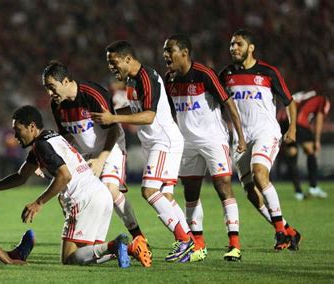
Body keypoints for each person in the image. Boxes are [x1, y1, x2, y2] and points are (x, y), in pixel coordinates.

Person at [0, 105, 131, 268]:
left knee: (69, 259)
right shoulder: (50, 138)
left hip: (83, 198)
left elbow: (64, 176)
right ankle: (128, 248)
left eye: (18, 130)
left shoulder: (41, 145)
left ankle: (114, 245)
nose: (15, 136)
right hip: (100, 194)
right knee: (89, 254)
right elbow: (21, 177)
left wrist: (39, 203)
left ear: (32, 127)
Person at [92, 40, 204, 263]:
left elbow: (148, 116)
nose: (112, 68)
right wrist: (109, 112)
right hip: (157, 142)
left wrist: (113, 118)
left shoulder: (147, 77)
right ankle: (192, 244)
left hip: (163, 141)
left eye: (114, 63)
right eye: (109, 64)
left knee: (149, 191)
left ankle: (184, 240)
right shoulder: (133, 80)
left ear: (127, 59)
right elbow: (136, 109)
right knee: (166, 196)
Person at [41, 61, 151, 267]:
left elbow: (113, 127)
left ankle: (139, 237)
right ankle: (91, 242)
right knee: (68, 194)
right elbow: (67, 138)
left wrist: (101, 159)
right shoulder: (57, 105)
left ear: (65, 81)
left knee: (109, 190)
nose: (49, 93)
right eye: (47, 88)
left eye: (51, 87)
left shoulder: (92, 94)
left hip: (110, 147)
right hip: (85, 152)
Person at [162, 34, 246, 261]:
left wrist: (240, 137)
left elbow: (228, 103)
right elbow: (170, 113)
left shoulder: (204, 74)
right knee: (190, 192)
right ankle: (198, 245)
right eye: (164, 51)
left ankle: (234, 244)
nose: (165, 55)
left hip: (212, 139)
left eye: (170, 50)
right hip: (187, 143)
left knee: (223, 186)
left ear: (185, 52)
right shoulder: (169, 80)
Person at [219, 29, 302, 251]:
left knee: (259, 173)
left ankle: (279, 233)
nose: (234, 48)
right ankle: (288, 230)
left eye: (238, 44)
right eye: (231, 45)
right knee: (249, 191)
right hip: (240, 138)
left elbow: (289, 101)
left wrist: (292, 128)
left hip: (266, 131)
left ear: (251, 48)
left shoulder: (268, 72)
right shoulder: (225, 75)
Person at [280, 91, 330, 200]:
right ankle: (313, 187)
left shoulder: (304, 95)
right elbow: (319, 118)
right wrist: (317, 140)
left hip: (284, 121)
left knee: (292, 153)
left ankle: (298, 192)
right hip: (298, 121)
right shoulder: (323, 99)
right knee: (310, 150)